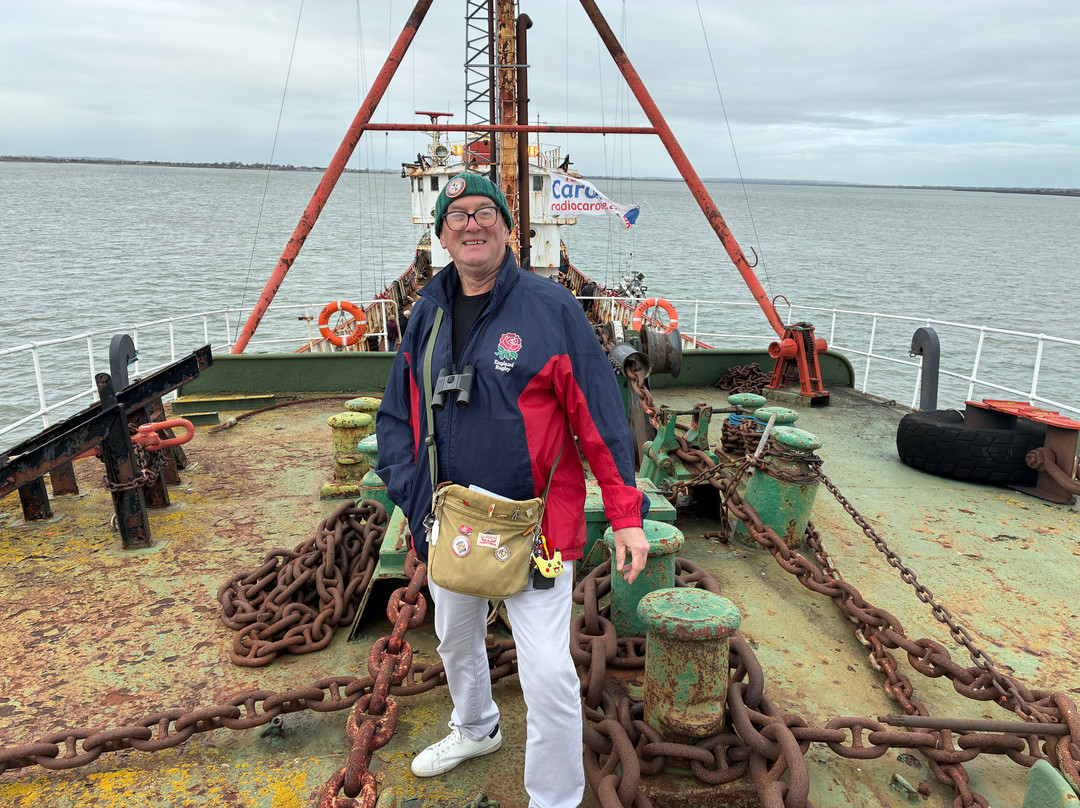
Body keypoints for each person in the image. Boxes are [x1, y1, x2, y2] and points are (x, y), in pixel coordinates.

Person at [375, 172, 650, 808]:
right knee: (454, 637)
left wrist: (626, 513)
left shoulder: (550, 309)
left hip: (538, 530)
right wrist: (418, 507)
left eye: (485, 213)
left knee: (548, 670)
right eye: (458, 216)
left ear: (507, 226)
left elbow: (600, 416)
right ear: (442, 233)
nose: (471, 225)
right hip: (453, 521)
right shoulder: (428, 314)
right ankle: (476, 727)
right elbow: (398, 416)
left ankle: (553, 798)